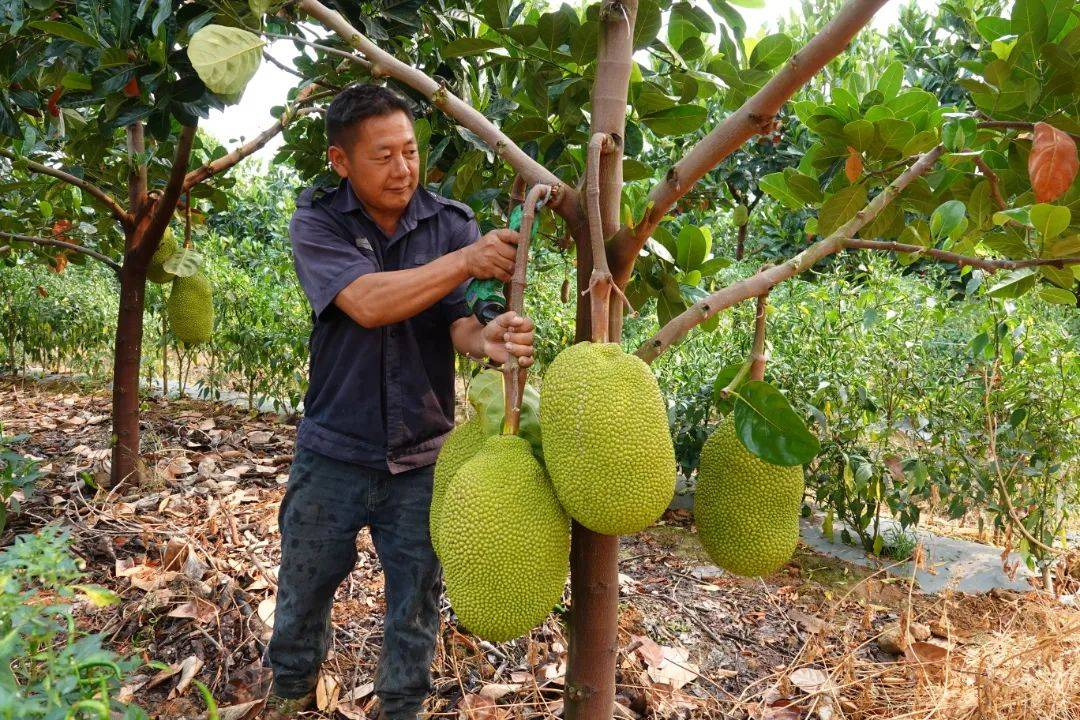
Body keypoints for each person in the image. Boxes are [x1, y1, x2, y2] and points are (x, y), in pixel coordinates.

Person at [264, 83, 535, 720]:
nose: (402, 169)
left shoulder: (449, 222)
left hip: (423, 453)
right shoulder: (318, 222)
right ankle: (290, 691)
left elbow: (461, 323)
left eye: (410, 151)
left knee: (416, 600)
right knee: (303, 588)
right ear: (341, 161)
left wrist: (488, 338)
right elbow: (366, 303)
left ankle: (401, 707)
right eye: (383, 156)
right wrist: (466, 261)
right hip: (334, 446)